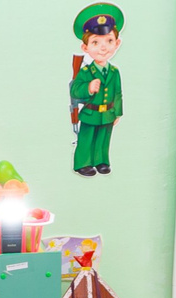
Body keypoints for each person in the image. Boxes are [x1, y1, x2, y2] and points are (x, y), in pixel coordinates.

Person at [68, 7, 123, 175]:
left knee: (103, 139)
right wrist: (88, 88)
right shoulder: (85, 72)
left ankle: (101, 161)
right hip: (91, 113)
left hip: (108, 113)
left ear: (117, 43)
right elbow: (75, 90)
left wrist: (118, 113)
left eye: (109, 41)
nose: (103, 48)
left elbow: (118, 93)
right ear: (85, 48)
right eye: (95, 43)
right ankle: (83, 163)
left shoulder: (114, 72)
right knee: (86, 139)